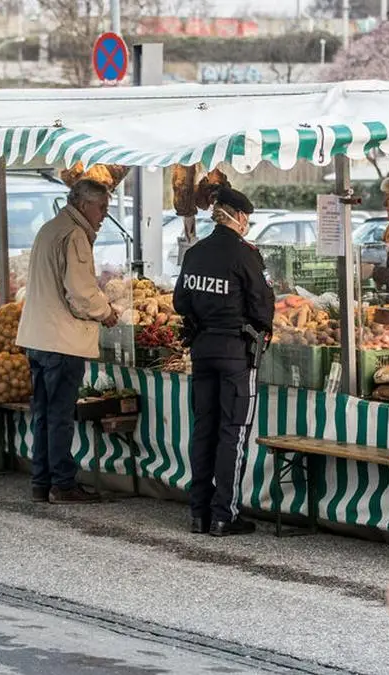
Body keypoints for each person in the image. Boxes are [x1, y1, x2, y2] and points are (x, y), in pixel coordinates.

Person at [173, 187, 275, 537]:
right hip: (236, 354)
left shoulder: (195, 253)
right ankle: (224, 514)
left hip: (202, 350)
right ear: (240, 217)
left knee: (204, 429)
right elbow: (263, 307)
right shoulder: (245, 255)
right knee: (233, 432)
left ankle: (198, 513)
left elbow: (180, 302)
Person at [16, 179, 119, 504]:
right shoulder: (74, 235)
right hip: (61, 340)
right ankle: (62, 483)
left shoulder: (49, 228)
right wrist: (106, 312)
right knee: (59, 414)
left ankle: (40, 482)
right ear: (85, 204)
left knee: (44, 413)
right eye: (101, 207)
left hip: (38, 337)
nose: (103, 215)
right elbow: (80, 294)